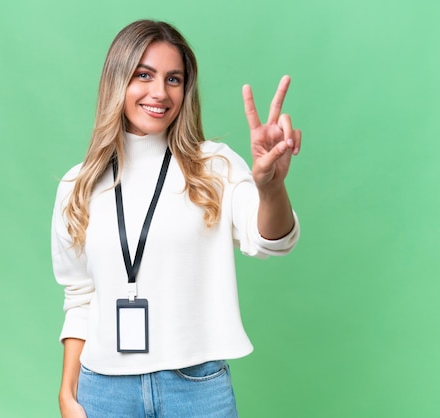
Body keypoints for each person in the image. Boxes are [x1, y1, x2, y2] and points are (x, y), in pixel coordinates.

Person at [51, 19, 302, 418]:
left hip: (196, 389)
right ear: (117, 81)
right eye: (144, 75)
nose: (159, 92)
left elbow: (273, 240)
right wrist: (67, 393)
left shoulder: (213, 165)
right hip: (103, 390)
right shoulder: (77, 184)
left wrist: (270, 186)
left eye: (174, 79)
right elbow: (79, 296)